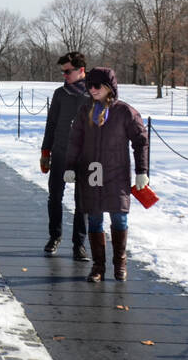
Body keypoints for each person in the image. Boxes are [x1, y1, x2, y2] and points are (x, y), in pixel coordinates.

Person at [63, 67, 149, 282]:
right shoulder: (85, 111)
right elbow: (75, 141)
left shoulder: (125, 112)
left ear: (109, 87)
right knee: (94, 218)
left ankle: (119, 262)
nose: (92, 89)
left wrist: (142, 171)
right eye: (89, 85)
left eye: (97, 85)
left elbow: (140, 141)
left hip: (116, 172)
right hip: (92, 171)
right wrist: (70, 166)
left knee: (119, 217)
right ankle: (98, 266)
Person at [40, 51, 90, 261]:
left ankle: (79, 244)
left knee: (82, 201)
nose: (64, 76)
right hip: (60, 152)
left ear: (81, 70)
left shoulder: (93, 93)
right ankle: (55, 236)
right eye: (62, 72)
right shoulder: (60, 94)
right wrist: (45, 152)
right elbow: (51, 124)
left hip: (84, 156)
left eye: (68, 71)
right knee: (55, 197)